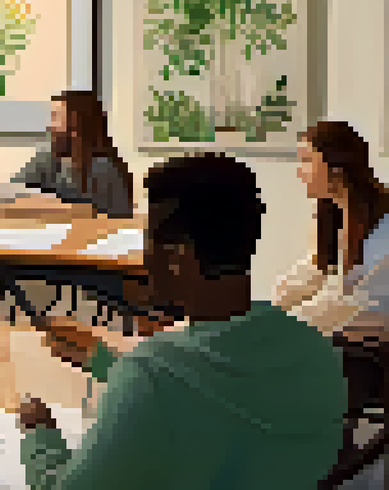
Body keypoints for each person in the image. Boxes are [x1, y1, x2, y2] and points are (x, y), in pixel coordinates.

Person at [17, 153, 346, 489]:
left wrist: (39, 432)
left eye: (147, 240)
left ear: (176, 257)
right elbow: (210, 394)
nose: (143, 256)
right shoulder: (316, 353)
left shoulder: (151, 377)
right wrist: (104, 361)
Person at [273, 121, 389, 335]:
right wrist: (272, 305)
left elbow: (355, 304)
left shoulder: (381, 224)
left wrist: (285, 321)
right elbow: (315, 269)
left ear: (336, 165)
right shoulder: (333, 213)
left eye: (306, 160)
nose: (299, 172)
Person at [0, 90, 133, 218]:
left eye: (55, 117)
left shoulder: (104, 169)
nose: (50, 125)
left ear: (76, 122)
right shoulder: (47, 159)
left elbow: (116, 222)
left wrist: (48, 206)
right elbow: (6, 193)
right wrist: (53, 205)